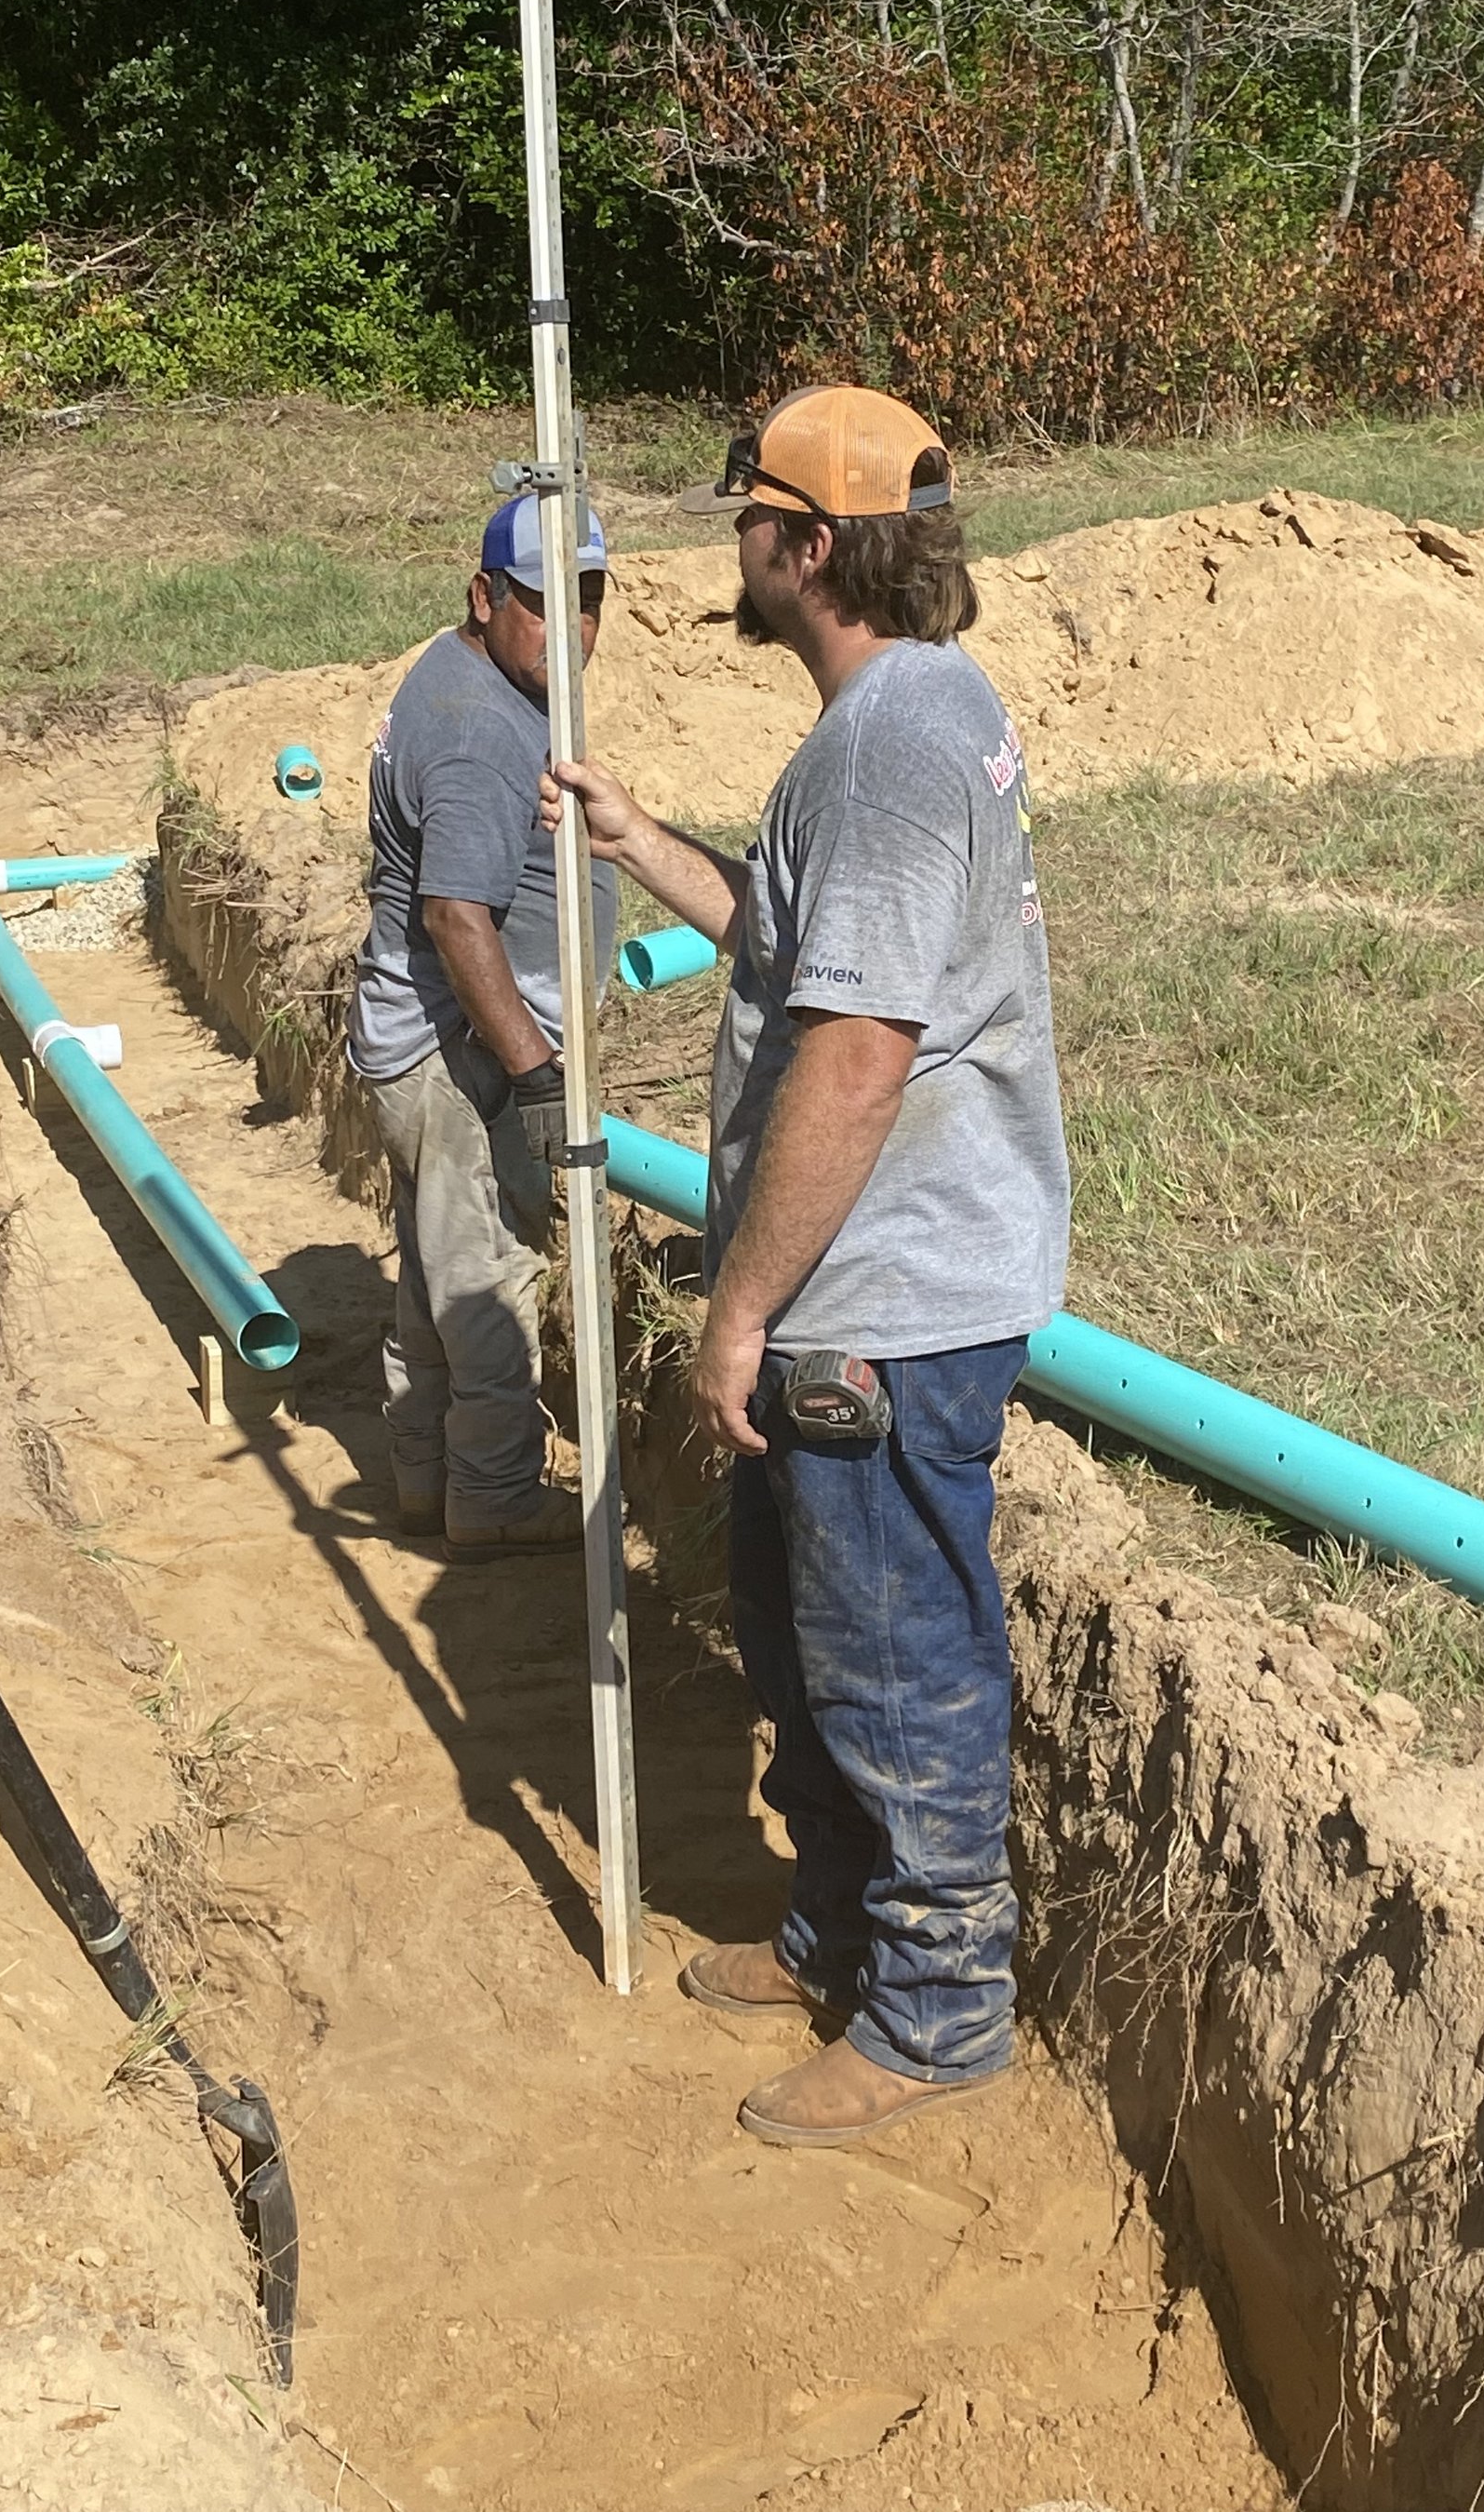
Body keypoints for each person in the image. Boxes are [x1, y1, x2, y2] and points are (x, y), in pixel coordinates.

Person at [544, 385, 1069, 2146]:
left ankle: (936, 2006)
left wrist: (744, 1307)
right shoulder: (893, 722)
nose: (733, 542)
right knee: (800, 1626)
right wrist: (638, 846)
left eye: (749, 514)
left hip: (886, 1300)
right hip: (856, 1284)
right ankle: (839, 1915)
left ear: (812, 544)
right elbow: (793, 944)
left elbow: (853, 1049)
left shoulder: (894, 747)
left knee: (895, 1651)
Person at [347, 490, 620, 1557]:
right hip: (457, 1056)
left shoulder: (463, 677)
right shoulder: (473, 732)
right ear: (485, 594)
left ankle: (423, 1475)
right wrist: (535, 1072)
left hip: (419, 1046)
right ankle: (495, 1497)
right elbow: (457, 918)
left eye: (590, 603)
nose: (575, 633)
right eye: (548, 607)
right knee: (488, 1280)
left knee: (432, 1263)